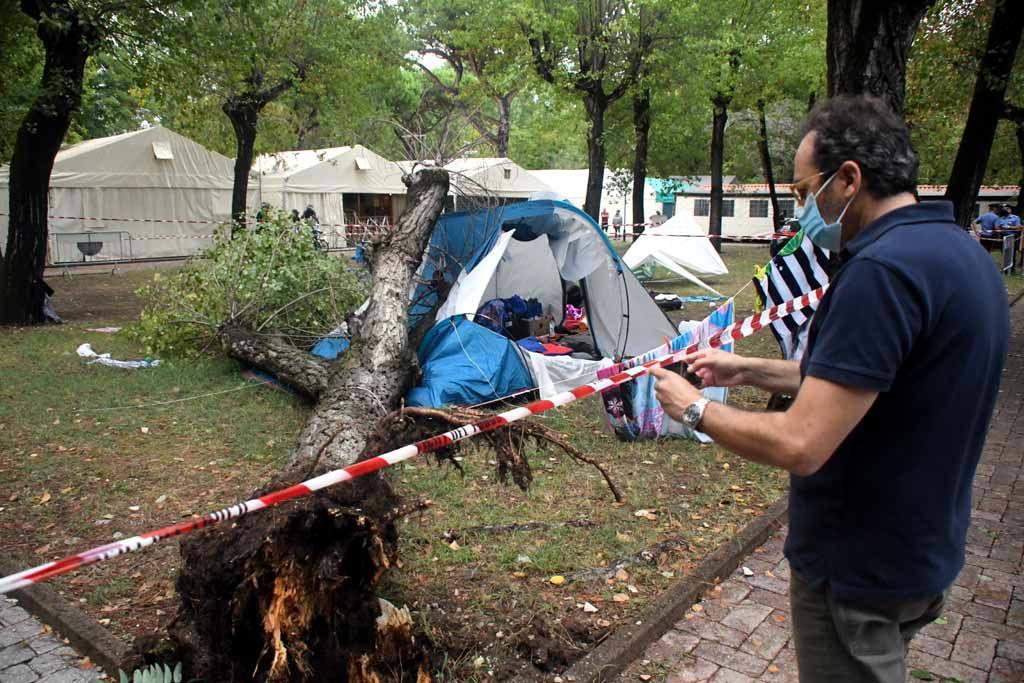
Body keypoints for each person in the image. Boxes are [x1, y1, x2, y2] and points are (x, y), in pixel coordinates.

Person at [650, 95, 1009, 683]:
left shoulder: (880, 273)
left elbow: (802, 441)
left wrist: (693, 412)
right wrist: (748, 369)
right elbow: (870, 380)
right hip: (920, 551)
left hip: (857, 569)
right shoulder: (961, 257)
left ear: (848, 180)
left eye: (802, 191)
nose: (801, 209)